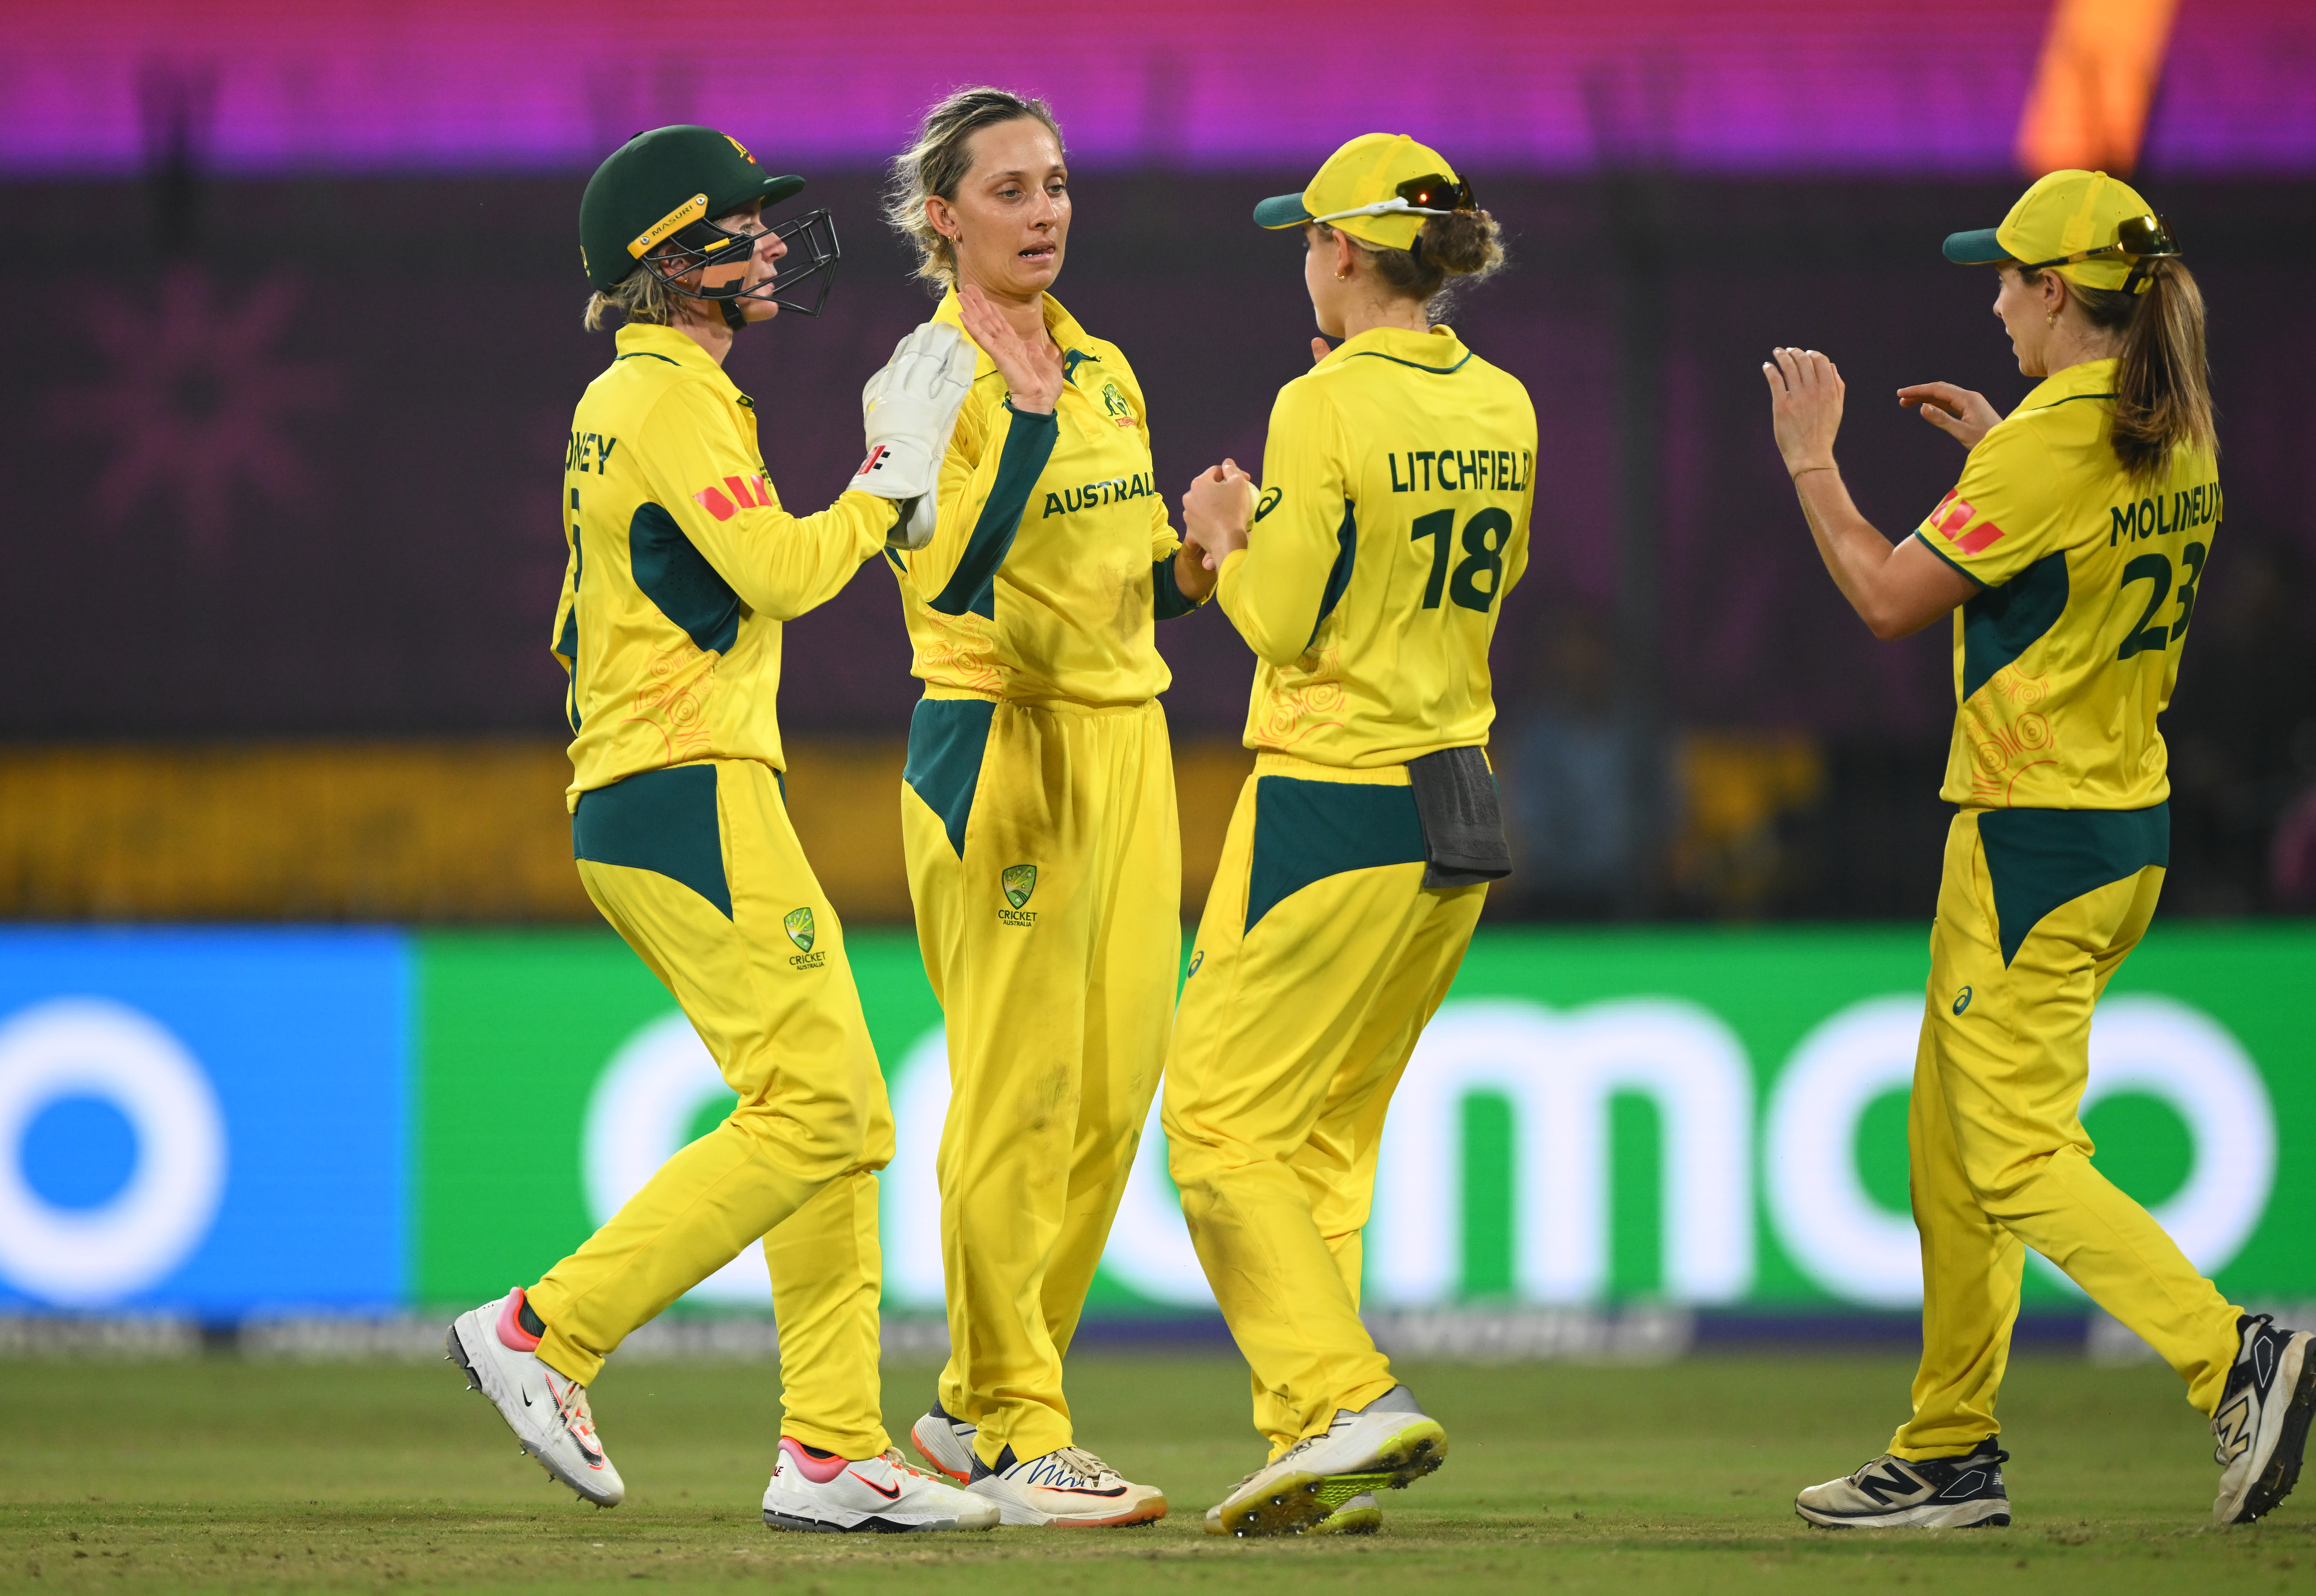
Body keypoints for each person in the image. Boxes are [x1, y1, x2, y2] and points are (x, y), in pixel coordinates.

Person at [443, 124, 996, 1535]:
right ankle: (545, 1331)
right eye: (741, 227)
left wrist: (883, 502)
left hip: (669, 784)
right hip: (686, 784)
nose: (767, 246)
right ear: (671, 258)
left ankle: (831, 1452)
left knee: (834, 1117)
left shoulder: (645, 392)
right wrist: (888, 476)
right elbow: (785, 573)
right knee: (827, 1111)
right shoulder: (666, 396)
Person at [1763, 168, 2316, 1530]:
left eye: (2009, 281)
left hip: (2032, 839)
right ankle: (1949, 1451)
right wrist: (2005, 447)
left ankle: (2232, 1358)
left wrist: (1812, 460)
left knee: (2012, 1156)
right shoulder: (2173, 424)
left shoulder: (2050, 450)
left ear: (2060, 292)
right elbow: (2077, 532)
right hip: (2119, 823)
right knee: (1947, 1152)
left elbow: (1888, 597)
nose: (1997, 303)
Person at [1166, 132, 1532, 1538]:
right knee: (1320, 1141)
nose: (1304, 262)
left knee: (1216, 1126)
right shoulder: (1504, 401)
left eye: (1308, 240)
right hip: (1460, 794)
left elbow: (1279, 623)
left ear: (1341, 250)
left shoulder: (1318, 404)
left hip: (1332, 797)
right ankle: (1311, 1443)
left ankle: (1344, 1396)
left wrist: (1226, 529)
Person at [878, 87, 1213, 1527]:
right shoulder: (924, 380)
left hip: (1130, 741)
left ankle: (973, 1409)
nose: (1044, 212)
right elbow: (947, 576)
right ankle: (1021, 1432)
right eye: (1009, 190)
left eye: (1057, 184)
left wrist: (1194, 563)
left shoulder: (1104, 367)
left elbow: (1120, 576)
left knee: (1113, 1098)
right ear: (943, 218)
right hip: (1001, 744)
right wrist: (1019, 427)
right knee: (1017, 1096)